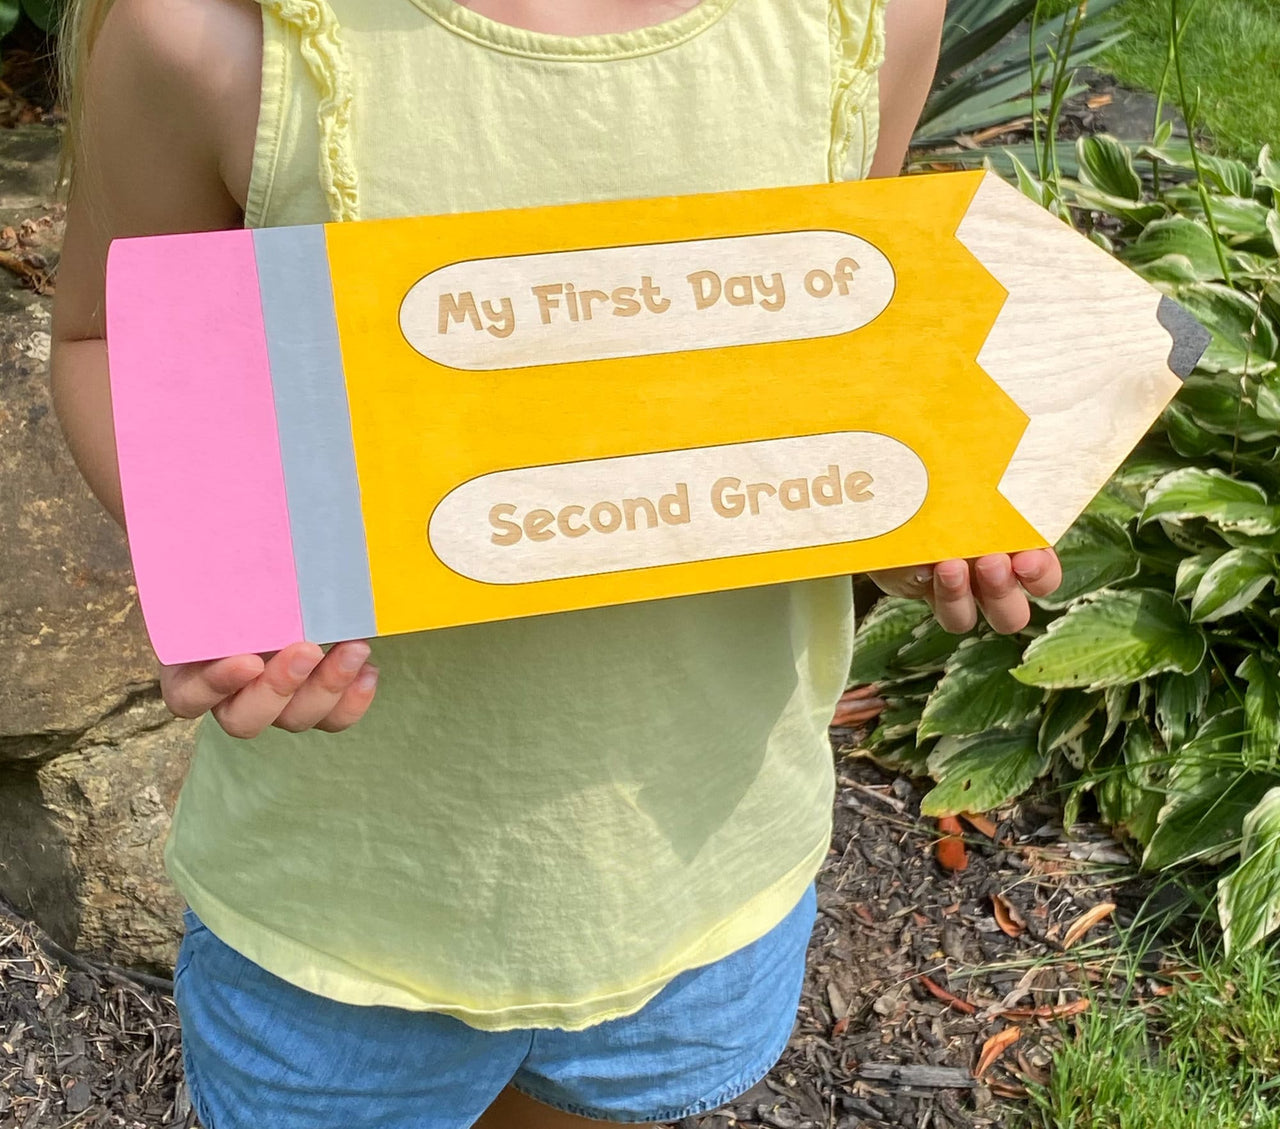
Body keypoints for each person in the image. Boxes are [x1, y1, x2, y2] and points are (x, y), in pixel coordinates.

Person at [51, 1, 1062, 1125]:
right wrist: (223, 561)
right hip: (342, 899)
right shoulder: (210, 34)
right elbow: (107, 334)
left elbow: (841, 336)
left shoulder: (860, 18)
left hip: (697, 869)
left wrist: (903, 507)